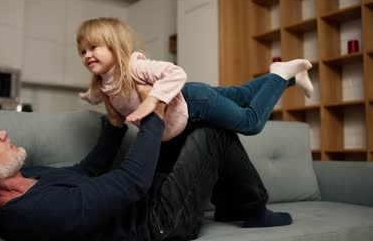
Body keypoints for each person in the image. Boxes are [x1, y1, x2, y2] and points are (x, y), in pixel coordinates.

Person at [0, 86, 292, 241]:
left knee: (195, 114)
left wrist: (115, 122)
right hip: (163, 221)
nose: (2, 132)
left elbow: (88, 169)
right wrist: (154, 113)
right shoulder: (34, 215)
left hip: (153, 195)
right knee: (211, 133)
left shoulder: (29, 177)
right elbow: (131, 182)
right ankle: (252, 206)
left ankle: (260, 88)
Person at [77, 17, 314, 141]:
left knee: (250, 123)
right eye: (82, 51)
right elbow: (97, 95)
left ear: (115, 47)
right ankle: (291, 77)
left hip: (195, 101)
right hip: (191, 97)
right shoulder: (103, 83)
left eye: (94, 47)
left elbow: (176, 73)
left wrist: (152, 100)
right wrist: (87, 97)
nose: (87, 55)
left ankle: (279, 75)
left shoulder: (134, 66)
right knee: (242, 94)